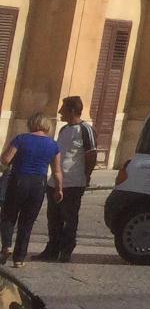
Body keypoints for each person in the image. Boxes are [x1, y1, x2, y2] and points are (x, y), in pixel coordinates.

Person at [0, 116, 63, 266]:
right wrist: (59, 189)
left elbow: (6, 160)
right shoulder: (53, 145)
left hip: (18, 180)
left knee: (9, 215)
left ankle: (6, 246)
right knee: (27, 222)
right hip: (38, 183)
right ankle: (19, 259)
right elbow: (57, 171)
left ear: (31, 124)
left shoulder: (21, 139)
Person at [40, 97, 95, 263]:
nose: (59, 112)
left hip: (73, 183)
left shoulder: (86, 129)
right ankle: (52, 249)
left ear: (71, 110)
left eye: (62, 108)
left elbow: (91, 155)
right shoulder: (64, 129)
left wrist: (86, 176)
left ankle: (66, 249)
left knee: (69, 218)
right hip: (55, 182)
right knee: (53, 217)